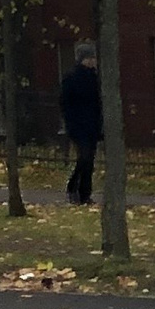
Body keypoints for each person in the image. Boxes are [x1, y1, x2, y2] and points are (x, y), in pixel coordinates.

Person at [58, 41, 103, 205]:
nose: (92, 61)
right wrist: (70, 121)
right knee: (84, 157)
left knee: (89, 160)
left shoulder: (95, 78)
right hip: (78, 124)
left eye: (93, 58)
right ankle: (73, 187)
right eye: (89, 58)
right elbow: (65, 102)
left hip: (92, 124)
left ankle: (85, 193)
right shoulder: (72, 77)